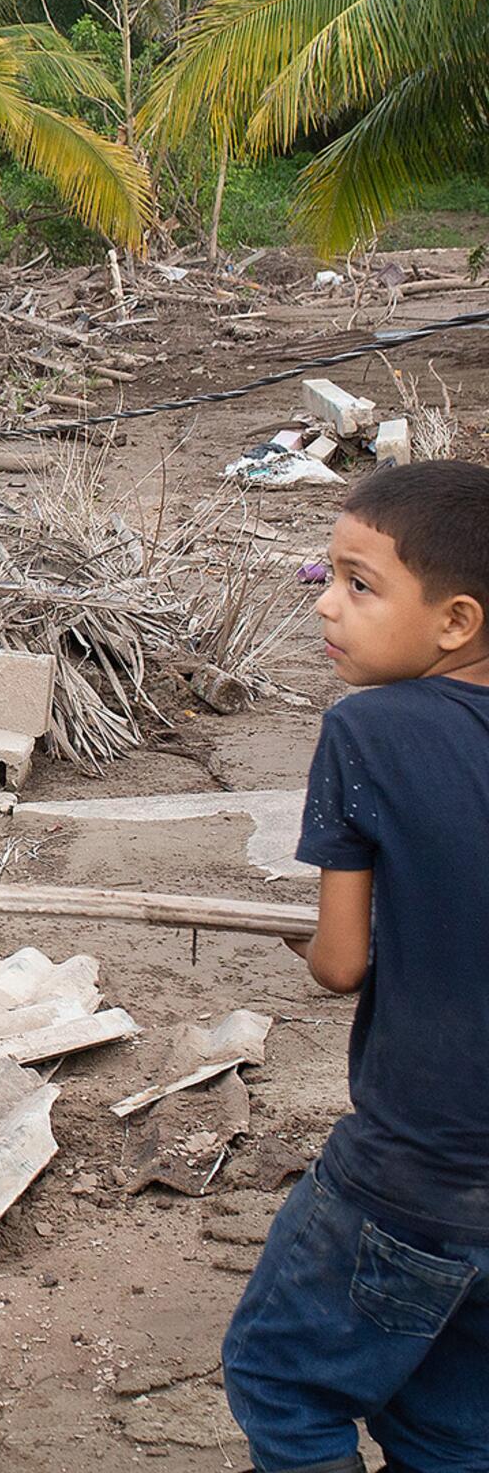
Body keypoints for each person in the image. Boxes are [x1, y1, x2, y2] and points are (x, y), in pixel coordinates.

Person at [223, 460, 489, 1473]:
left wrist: (320, 938)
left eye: (358, 582)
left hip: (412, 1169)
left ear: (455, 618)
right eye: (324, 577)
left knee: (282, 1381)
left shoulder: (363, 730)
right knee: (453, 1423)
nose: (325, 605)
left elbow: (338, 963)